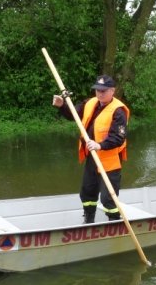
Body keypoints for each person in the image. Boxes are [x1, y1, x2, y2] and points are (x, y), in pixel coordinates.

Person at [52, 75, 130, 223]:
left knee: (108, 198)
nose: (99, 93)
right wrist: (62, 105)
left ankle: (114, 221)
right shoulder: (90, 102)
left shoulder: (118, 111)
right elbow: (74, 114)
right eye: (97, 90)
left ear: (112, 91)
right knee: (87, 192)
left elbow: (118, 138)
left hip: (109, 160)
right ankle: (89, 220)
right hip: (92, 157)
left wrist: (100, 145)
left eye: (103, 91)